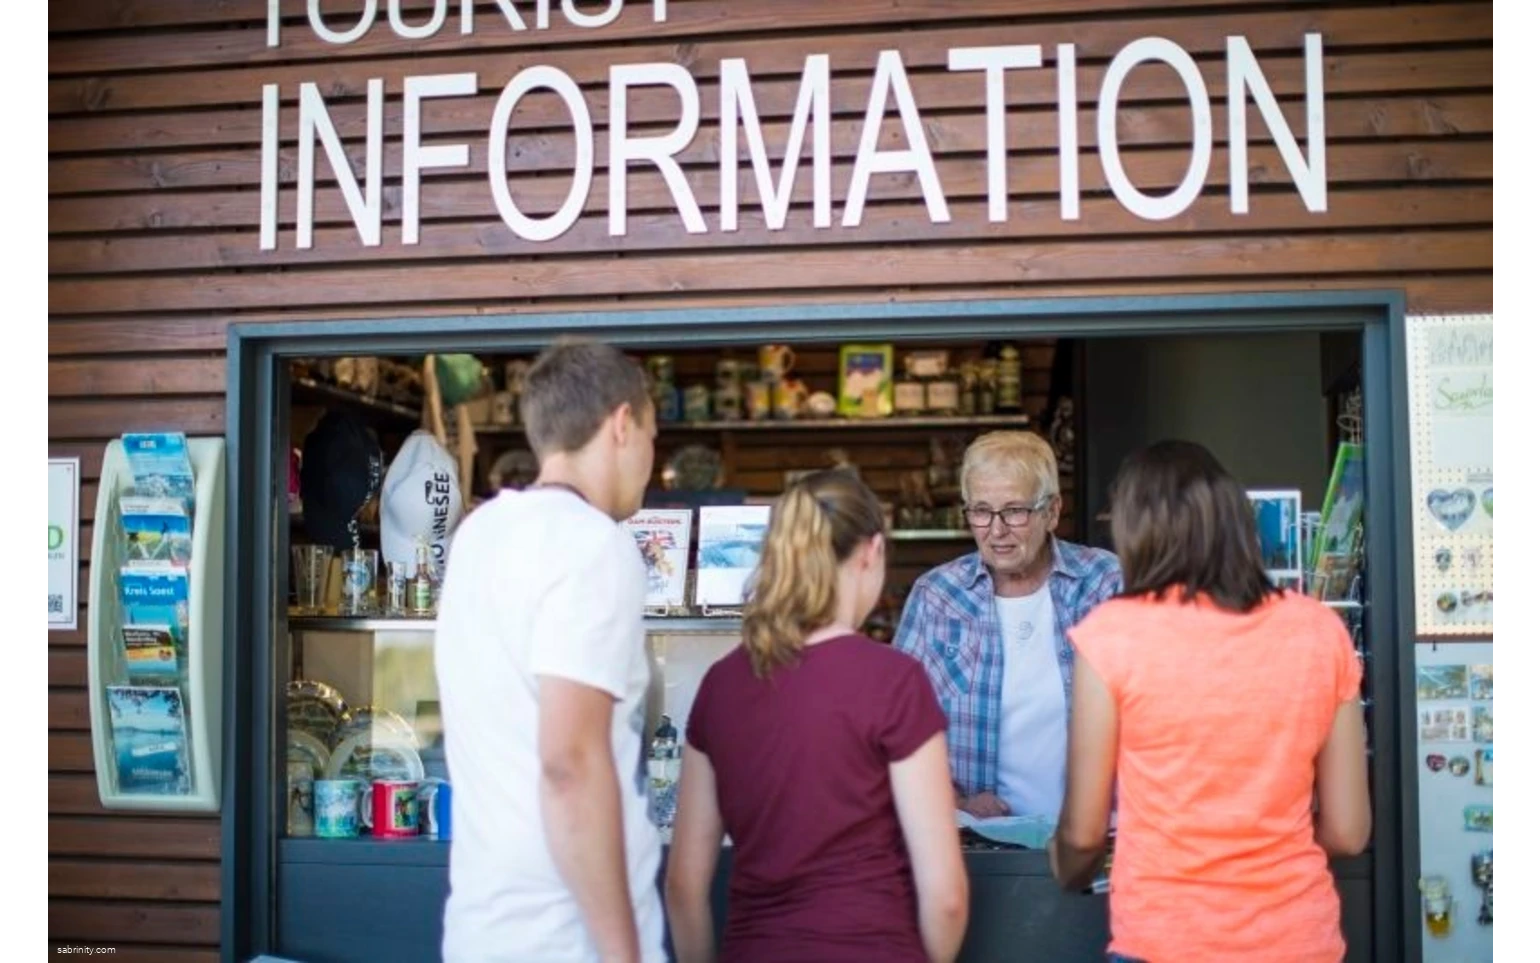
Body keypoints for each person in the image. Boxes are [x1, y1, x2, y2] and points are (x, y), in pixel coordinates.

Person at [1050, 440, 1372, 963]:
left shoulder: (1113, 635)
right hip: (1296, 940)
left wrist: (1063, 864)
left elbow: (1084, 834)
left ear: (1135, 533)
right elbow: (1349, 830)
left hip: (1164, 941)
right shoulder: (1319, 630)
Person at [665, 470, 969, 963]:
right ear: (871, 552)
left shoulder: (721, 685)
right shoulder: (894, 681)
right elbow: (947, 899)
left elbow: (683, 888)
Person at [434, 337, 663, 963]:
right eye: (651, 435)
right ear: (621, 425)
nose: (651, 458)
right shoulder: (593, 544)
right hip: (567, 939)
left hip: (484, 924)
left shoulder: (478, 536)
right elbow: (570, 764)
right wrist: (625, 953)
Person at [894, 431, 1122, 822]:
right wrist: (955, 803)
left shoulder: (1104, 581)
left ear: (1052, 511)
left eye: (1015, 511)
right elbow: (896, 727)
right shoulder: (937, 595)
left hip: (1098, 837)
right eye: (981, 511)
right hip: (979, 843)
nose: (996, 531)